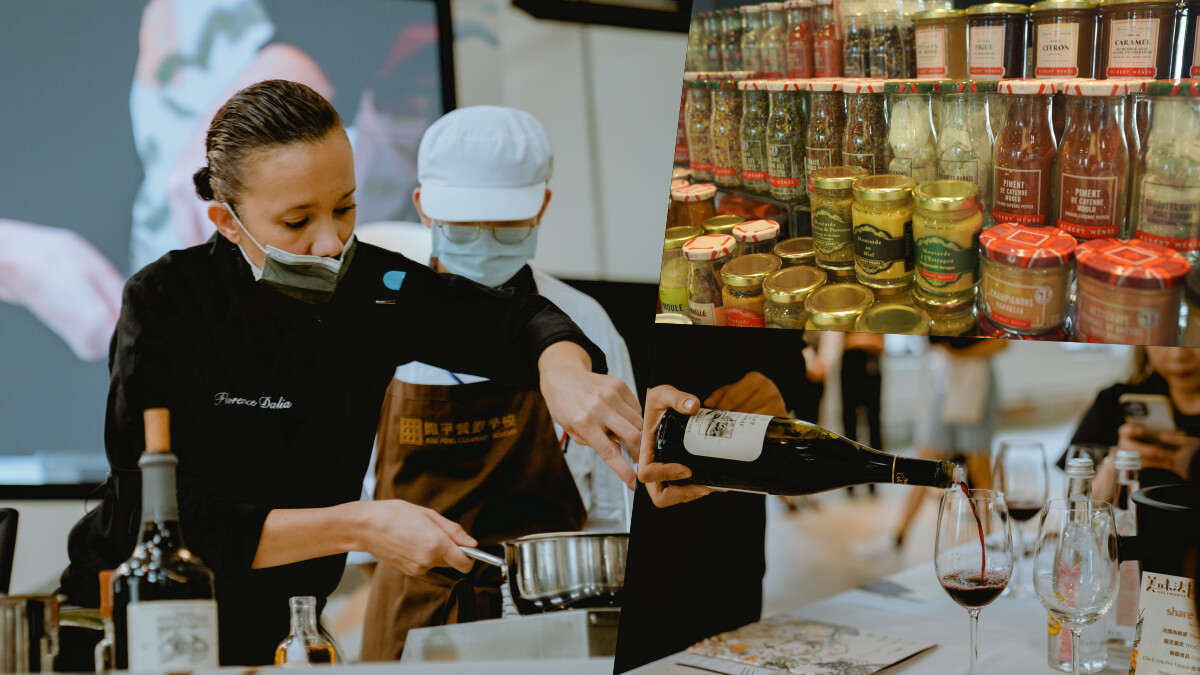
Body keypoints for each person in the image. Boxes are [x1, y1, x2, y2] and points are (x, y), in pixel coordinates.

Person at [55, 80, 643, 668]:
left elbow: (514, 321)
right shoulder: (166, 301)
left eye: (344, 207)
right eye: (295, 221)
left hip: (279, 633)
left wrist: (561, 369)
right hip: (132, 627)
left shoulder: (374, 293)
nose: (331, 242)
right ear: (227, 221)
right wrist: (361, 526)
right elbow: (157, 519)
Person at [357, 106, 637, 660]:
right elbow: (348, 497)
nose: (483, 240)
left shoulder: (587, 324)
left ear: (542, 207)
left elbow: (615, 501)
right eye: (462, 223)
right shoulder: (372, 323)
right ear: (423, 208)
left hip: (552, 615)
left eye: (506, 223)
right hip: (407, 615)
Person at [613, 326, 812, 673]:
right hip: (634, 505)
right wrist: (629, 409)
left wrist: (777, 384)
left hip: (732, 507)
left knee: (732, 648)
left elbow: (789, 342)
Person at [890, 337, 1008, 548]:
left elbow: (1003, 343)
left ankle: (989, 540)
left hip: (977, 383)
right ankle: (897, 537)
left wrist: (960, 352)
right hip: (946, 382)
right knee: (924, 459)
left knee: (979, 465)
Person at [1067, 346, 1200, 501]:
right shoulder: (1113, 403)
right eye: (1165, 337)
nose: (1178, 355)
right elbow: (1072, 503)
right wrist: (1114, 466)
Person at [841, 331, 885, 497]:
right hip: (851, 367)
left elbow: (880, 344)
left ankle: (875, 478)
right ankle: (849, 480)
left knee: (874, 425)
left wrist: (859, 340)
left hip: (871, 367)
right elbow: (844, 343)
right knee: (849, 427)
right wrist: (867, 340)